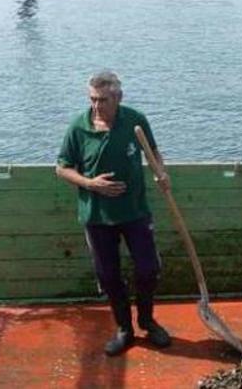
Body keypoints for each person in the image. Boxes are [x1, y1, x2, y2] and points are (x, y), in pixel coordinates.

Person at [56, 71, 172, 356]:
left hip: (134, 211)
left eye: (103, 100)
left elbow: (153, 151)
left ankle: (147, 321)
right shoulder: (78, 127)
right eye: (93, 100)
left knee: (148, 268)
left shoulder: (135, 120)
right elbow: (61, 167)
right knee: (108, 276)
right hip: (97, 216)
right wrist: (90, 184)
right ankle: (124, 328)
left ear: (118, 98)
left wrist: (161, 172)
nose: (97, 106)